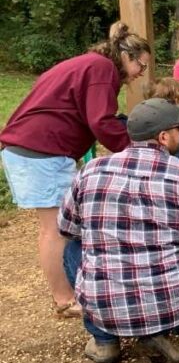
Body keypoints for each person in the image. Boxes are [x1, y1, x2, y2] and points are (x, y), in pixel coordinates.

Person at [58, 98, 179, 363]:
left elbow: (67, 228)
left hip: (103, 304)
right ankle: (155, 332)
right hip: (173, 302)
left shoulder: (91, 170)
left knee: (72, 250)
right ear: (163, 136)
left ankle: (104, 340)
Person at [0, 21, 151, 319]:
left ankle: (71, 290)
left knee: (63, 225)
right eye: (140, 66)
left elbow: (77, 111)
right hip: (40, 150)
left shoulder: (88, 64)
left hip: (35, 148)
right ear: (127, 56)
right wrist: (135, 154)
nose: (140, 74)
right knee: (57, 229)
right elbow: (100, 120)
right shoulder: (102, 69)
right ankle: (64, 299)